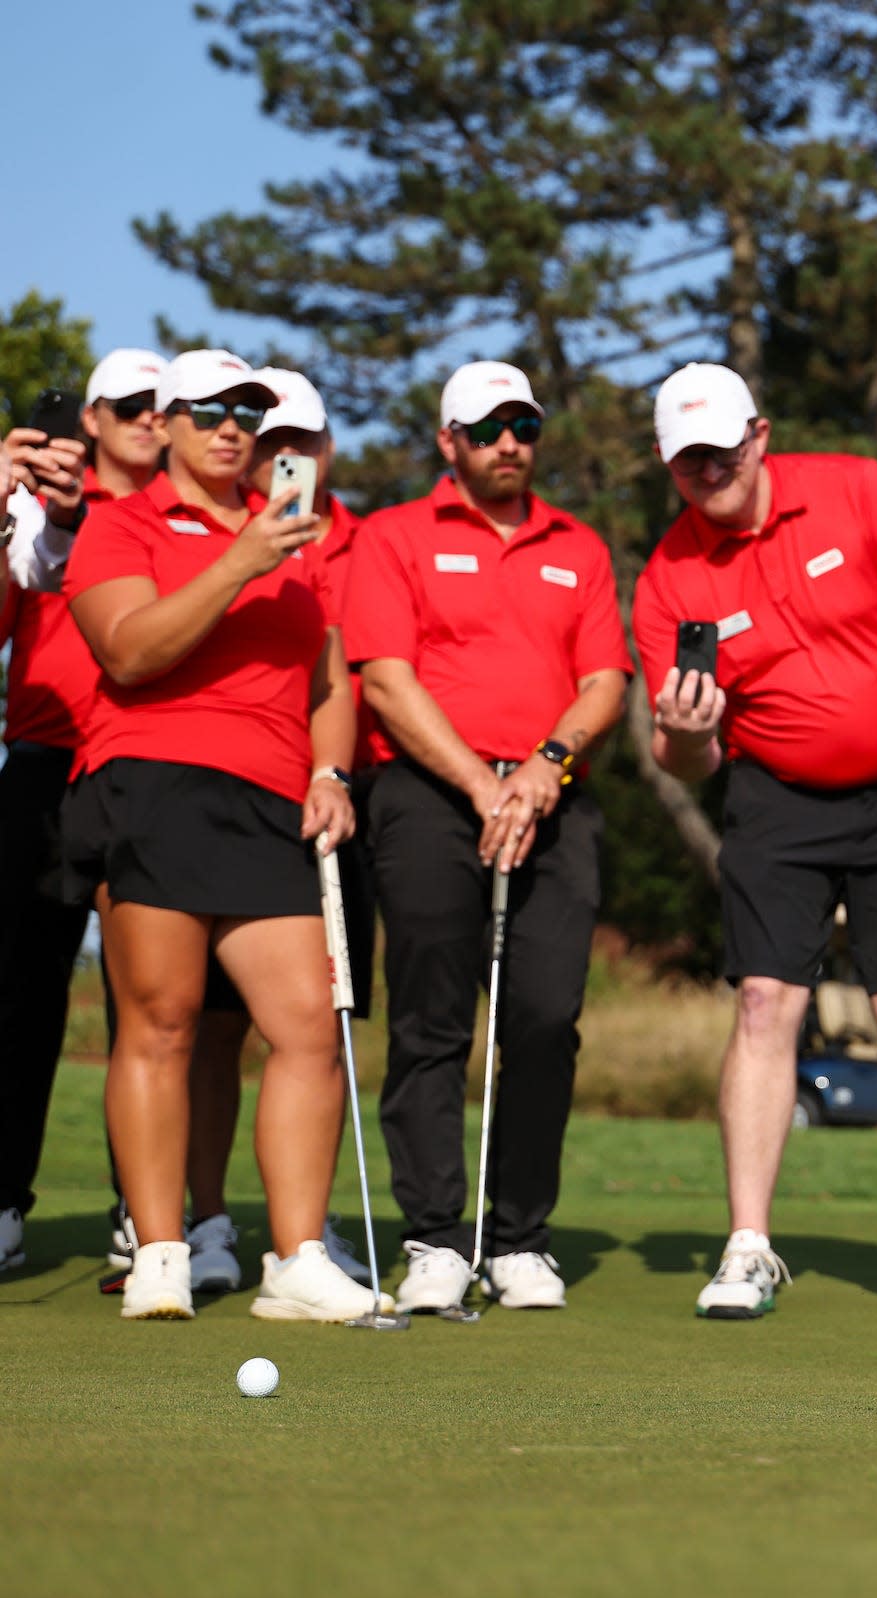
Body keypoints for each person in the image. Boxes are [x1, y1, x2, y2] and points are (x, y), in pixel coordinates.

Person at [632, 363, 877, 1319]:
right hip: (774, 799)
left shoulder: (856, 488)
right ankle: (748, 1245)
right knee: (763, 1004)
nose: (708, 471)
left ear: (759, 434)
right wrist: (685, 728)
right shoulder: (669, 576)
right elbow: (687, 766)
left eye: (720, 449)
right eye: (687, 460)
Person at [61, 348, 382, 1321]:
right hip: (151, 778)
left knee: (308, 1026)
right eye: (207, 410)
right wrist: (242, 559)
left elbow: (329, 677)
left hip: (272, 797)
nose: (232, 426)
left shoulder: (293, 540)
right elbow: (129, 647)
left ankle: (296, 1258)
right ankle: (161, 1247)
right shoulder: (120, 524)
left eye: (247, 409)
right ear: (163, 423)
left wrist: (331, 771)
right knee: (163, 1020)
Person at [349, 360, 631, 1314]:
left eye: (524, 424)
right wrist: (481, 783)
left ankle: (518, 1238)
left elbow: (604, 682)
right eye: (486, 428)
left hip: (551, 794)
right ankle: (434, 1235)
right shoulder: (394, 537)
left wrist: (544, 766)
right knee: (431, 1020)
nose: (509, 442)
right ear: (448, 443)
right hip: (430, 795)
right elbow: (385, 678)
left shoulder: (578, 547)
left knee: (545, 1020)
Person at [2, 348, 166, 1278]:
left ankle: (143, 1214)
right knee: (22, 994)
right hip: (42, 766)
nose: (151, 416)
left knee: (150, 998)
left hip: (145, 767)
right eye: (130, 403)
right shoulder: (32, 513)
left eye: (161, 402)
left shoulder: (186, 517)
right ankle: (3, 1203)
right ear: (91, 421)